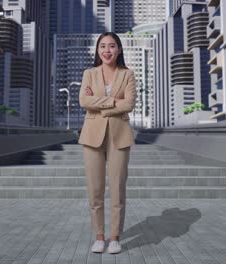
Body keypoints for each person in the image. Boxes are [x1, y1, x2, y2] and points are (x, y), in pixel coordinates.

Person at [78, 32, 137, 254]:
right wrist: (113, 101)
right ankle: (99, 236)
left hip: (119, 136)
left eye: (112, 46)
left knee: (117, 189)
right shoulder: (89, 73)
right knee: (95, 189)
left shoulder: (128, 74)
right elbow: (84, 101)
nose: (107, 50)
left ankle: (115, 237)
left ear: (119, 49)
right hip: (92, 135)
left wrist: (99, 103)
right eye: (102, 46)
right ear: (97, 50)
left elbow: (129, 104)